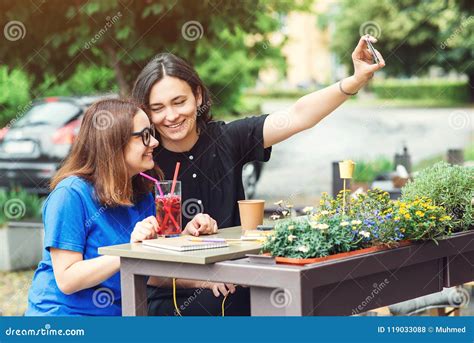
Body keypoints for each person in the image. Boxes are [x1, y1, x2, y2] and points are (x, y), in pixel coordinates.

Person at [132, 34, 385, 315]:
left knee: (302, 297)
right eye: (158, 108)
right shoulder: (144, 162)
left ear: (198, 96)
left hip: (238, 280)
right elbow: (139, 265)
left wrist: (355, 80)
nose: (170, 116)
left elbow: (298, 115)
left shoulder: (227, 139)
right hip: (176, 294)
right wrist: (204, 280)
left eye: (179, 102)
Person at [25, 99, 235, 316]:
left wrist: (191, 244)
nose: (154, 142)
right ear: (113, 143)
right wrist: (131, 252)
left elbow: (150, 271)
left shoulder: (140, 193)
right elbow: (67, 279)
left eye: (152, 133)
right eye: (144, 135)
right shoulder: (71, 194)